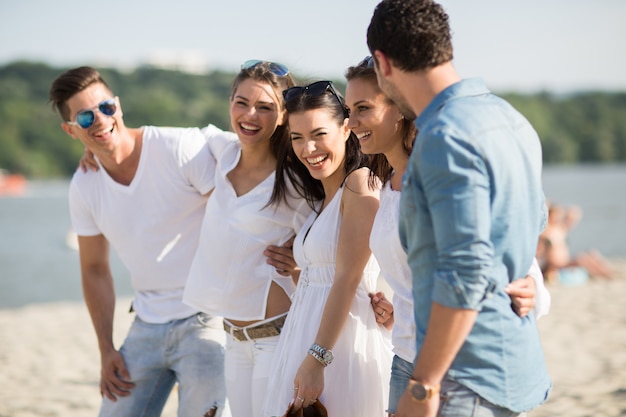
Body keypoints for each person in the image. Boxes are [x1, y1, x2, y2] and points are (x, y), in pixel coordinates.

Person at [366, 1, 552, 416]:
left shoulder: (444, 136)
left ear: (383, 63)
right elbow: (527, 222)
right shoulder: (508, 118)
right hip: (511, 365)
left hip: (462, 379)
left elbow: (464, 271)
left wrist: (423, 386)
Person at [48, 67, 227, 417]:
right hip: (146, 323)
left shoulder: (178, 148)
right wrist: (106, 349)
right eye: (85, 117)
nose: (100, 120)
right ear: (70, 130)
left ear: (118, 104)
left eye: (105, 108)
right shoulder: (84, 186)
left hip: (208, 318)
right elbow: (95, 269)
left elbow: (236, 216)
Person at [182, 61, 313, 417]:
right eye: (241, 102)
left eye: (265, 107)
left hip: (276, 337)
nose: (249, 114)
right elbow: (156, 144)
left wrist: (301, 261)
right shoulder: (221, 152)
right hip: (232, 339)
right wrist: (96, 150)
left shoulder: (297, 181)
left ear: (284, 115)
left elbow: (336, 235)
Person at [261, 80, 393, 417]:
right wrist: (296, 273)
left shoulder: (360, 183)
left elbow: (349, 278)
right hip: (307, 334)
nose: (308, 149)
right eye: (298, 138)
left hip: (340, 346)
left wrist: (317, 359)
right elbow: (327, 276)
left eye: (319, 134)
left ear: (346, 128)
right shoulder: (324, 198)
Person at [537, 202, 613, 284]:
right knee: (582, 259)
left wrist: (562, 210)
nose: (557, 217)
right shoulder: (545, 231)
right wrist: (547, 207)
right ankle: (607, 275)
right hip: (555, 265)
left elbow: (575, 213)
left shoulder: (560, 229)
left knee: (592, 253)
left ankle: (608, 272)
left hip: (566, 261)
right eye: (555, 215)